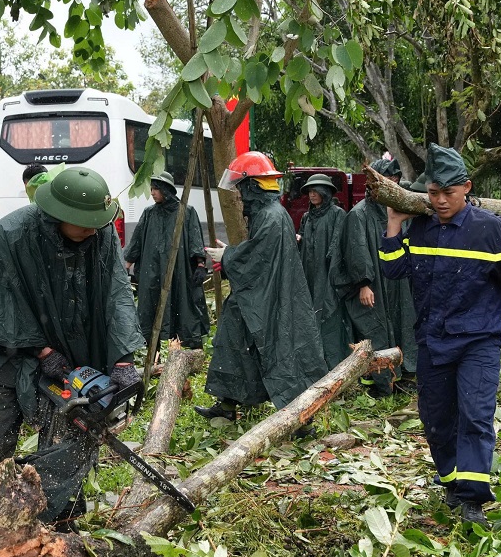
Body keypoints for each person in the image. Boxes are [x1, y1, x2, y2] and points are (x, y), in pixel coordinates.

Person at [0, 166, 143, 524]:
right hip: (5, 351)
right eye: (85, 223)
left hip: (75, 346)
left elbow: (117, 294)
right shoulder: (11, 234)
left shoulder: (101, 233)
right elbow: (0, 301)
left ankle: (58, 521)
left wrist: (122, 359)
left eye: (97, 222)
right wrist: (41, 349)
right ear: (60, 214)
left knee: (73, 438)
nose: (92, 229)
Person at [381, 143, 501, 526]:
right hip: (433, 339)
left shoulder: (494, 231)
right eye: (432, 194)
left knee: (475, 414)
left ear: (466, 188)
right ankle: (452, 481)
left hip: (479, 340)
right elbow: (394, 270)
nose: (440, 201)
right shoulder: (421, 227)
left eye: (448, 193)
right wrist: (394, 222)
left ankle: (473, 501)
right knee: (436, 418)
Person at [194, 152, 328, 422]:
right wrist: (234, 253)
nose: (240, 197)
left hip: (268, 301)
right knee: (235, 343)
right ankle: (228, 405)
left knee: (278, 352)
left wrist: (230, 256)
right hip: (259, 298)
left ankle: (301, 418)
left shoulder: (270, 216)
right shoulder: (271, 213)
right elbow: (260, 252)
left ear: (253, 186)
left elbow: (259, 260)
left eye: (242, 189)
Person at [336, 160, 418, 395]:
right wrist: (364, 283)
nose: (391, 184)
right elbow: (356, 251)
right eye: (385, 179)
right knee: (377, 330)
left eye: (394, 179)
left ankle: (405, 376)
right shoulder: (359, 214)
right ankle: (381, 383)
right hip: (375, 286)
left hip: (399, 282)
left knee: (404, 323)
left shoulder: (400, 209)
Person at [122, 171, 210, 349]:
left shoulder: (186, 212)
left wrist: (200, 264)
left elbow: (195, 239)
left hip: (179, 269)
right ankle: (151, 351)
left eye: (156, 189)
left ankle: (187, 348)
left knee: (182, 303)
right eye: (152, 188)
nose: (152, 192)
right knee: (151, 307)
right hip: (152, 270)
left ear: (166, 190)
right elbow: (136, 242)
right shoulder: (149, 214)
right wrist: (126, 266)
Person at [297, 173, 351, 368]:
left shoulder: (337, 214)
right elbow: (303, 240)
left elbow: (338, 247)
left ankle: (334, 362)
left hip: (328, 275)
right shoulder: (306, 217)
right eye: (309, 191)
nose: (312, 195)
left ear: (325, 193)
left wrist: (332, 276)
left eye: (315, 191)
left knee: (330, 316)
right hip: (309, 274)